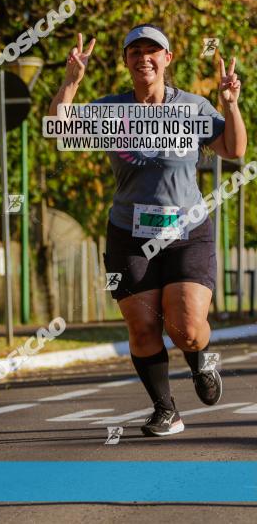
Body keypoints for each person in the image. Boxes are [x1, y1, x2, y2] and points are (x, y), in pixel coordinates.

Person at [48, 25, 246, 436]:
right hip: (129, 234)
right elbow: (60, 131)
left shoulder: (192, 108)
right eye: (134, 51)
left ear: (167, 59)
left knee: (187, 329)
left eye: (152, 51)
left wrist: (230, 106)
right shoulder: (111, 111)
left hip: (188, 231)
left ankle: (203, 362)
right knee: (141, 327)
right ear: (125, 62)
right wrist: (70, 83)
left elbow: (234, 149)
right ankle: (165, 410)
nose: (144, 58)